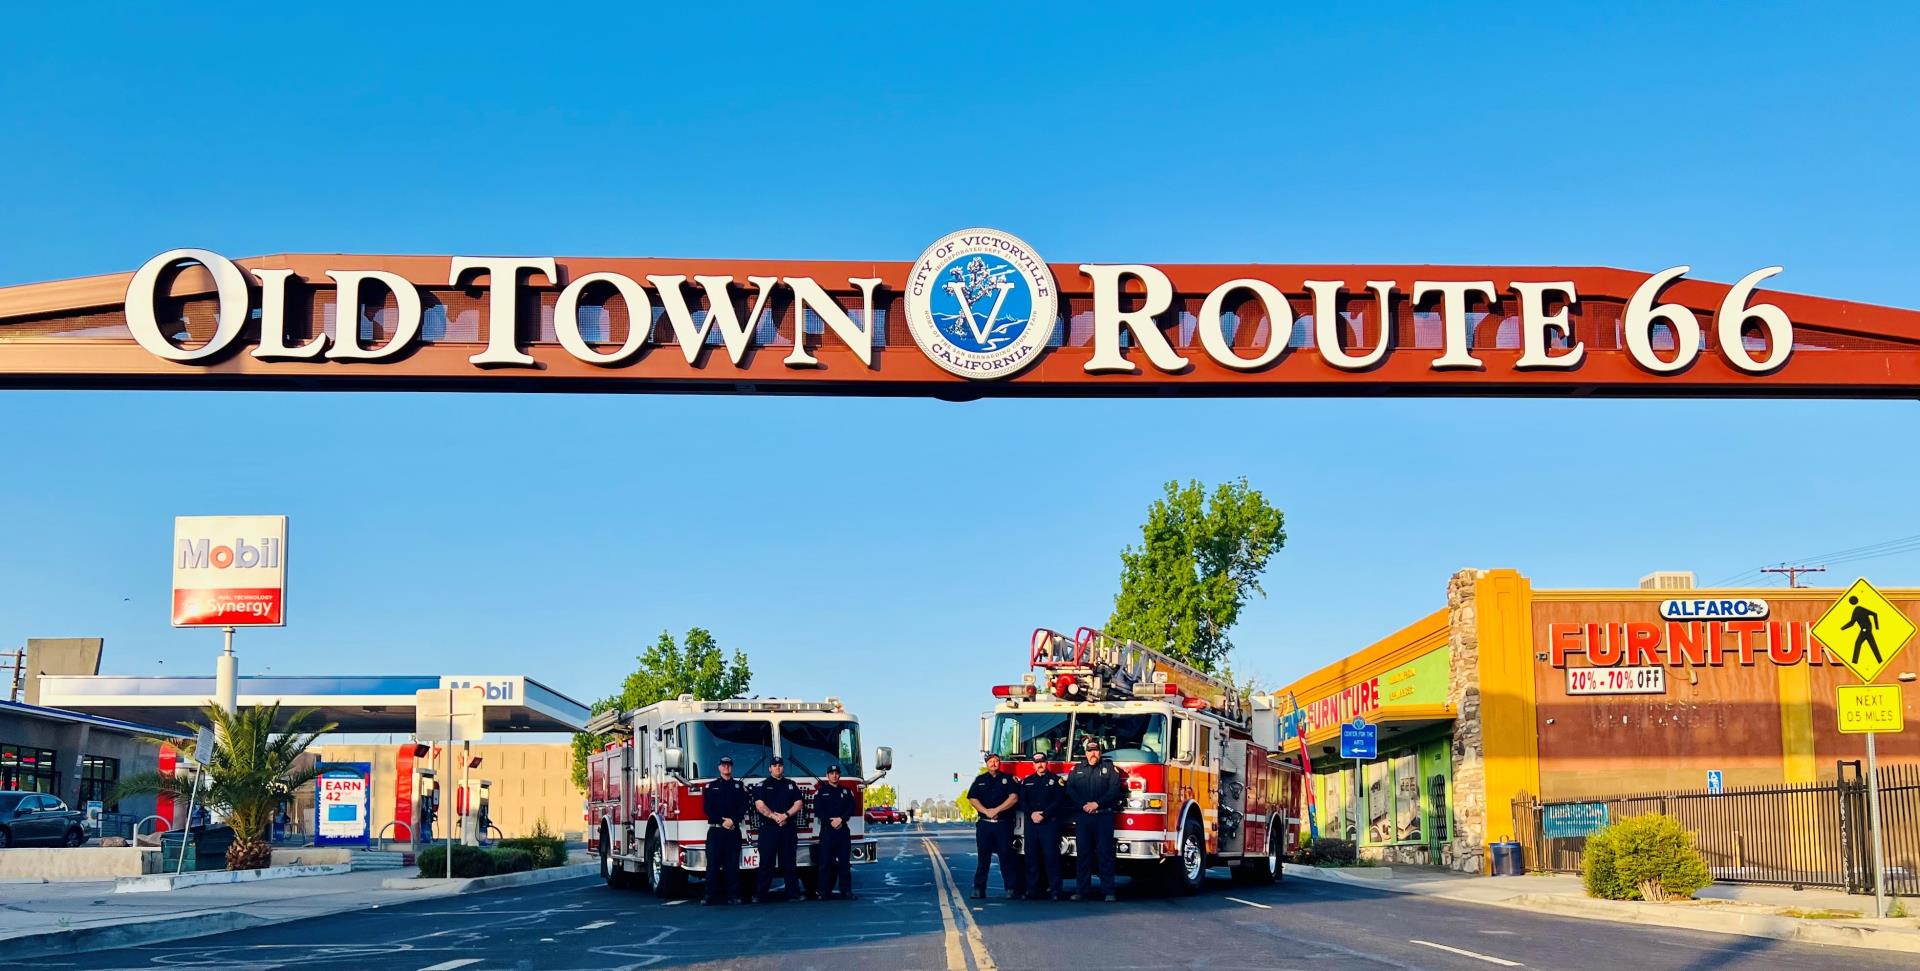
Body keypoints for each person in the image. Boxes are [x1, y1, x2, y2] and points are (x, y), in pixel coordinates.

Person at [1065, 738, 1124, 901]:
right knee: (1083, 854)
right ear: (1086, 753)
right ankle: (1081, 891)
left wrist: (1097, 804)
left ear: (1100, 752)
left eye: (1096, 750)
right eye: (1090, 751)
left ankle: (1108, 891)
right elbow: (1070, 790)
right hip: (1084, 817)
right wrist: (1084, 805)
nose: (1093, 753)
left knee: (1105, 853)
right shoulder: (1077, 769)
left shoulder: (1109, 768)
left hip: (1103, 815)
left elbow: (1114, 790)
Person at [967, 753, 1023, 899]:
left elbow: (1014, 798)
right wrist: (986, 812)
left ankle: (1010, 889)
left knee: (1006, 857)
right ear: (986, 763)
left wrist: (996, 810)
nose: (993, 763)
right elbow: (973, 798)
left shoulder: (1008, 779)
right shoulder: (980, 780)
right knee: (983, 858)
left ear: (999, 763)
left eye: (996, 761)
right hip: (985, 825)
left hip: (1003, 825)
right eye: (990, 761)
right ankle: (979, 889)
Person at [753, 756, 806, 901]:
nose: (777, 767)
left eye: (780, 765)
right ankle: (761, 895)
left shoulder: (791, 785)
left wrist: (786, 815)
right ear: (770, 768)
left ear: (783, 768)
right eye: (774, 765)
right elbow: (759, 805)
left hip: (787, 829)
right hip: (769, 829)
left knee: (789, 862)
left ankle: (793, 894)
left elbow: (799, 803)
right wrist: (775, 817)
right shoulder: (761, 785)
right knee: (766, 863)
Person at [1020, 752, 1068, 900]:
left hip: (1049, 824)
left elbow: (1059, 801)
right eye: (1037, 762)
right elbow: (1022, 801)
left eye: (1042, 761)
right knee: (1031, 858)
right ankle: (1032, 890)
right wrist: (1032, 814)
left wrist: (1044, 814)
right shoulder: (1027, 781)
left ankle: (1055, 890)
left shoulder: (1056, 780)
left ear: (1046, 763)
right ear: (1033, 764)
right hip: (1031, 824)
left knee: (1051, 857)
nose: (1040, 764)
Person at [703, 755, 749, 905]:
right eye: (723, 765)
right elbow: (708, 808)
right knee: (713, 865)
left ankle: (734, 896)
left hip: (733, 830)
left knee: (733, 865)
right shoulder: (711, 787)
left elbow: (743, 807)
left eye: (728, 765)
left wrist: (733, 821)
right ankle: (709, 896)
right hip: (716, 831)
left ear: (732, 767)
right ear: (719, 767)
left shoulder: (738, 786)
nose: (726, 767)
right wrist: (722, 821)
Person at [812, 764, 858, 899]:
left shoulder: (846, 791)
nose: (834, 775)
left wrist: (841, 819)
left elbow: (851, 807)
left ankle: (846, 891)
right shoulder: (821, 792)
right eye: (831, 773)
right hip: (827, 831)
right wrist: (830, 821)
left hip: (842, 831)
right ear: (827, 776)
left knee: (844, 863)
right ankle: (823, 892)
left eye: (836, 773)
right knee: (825, 863)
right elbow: (818, 810)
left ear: (839, 775)